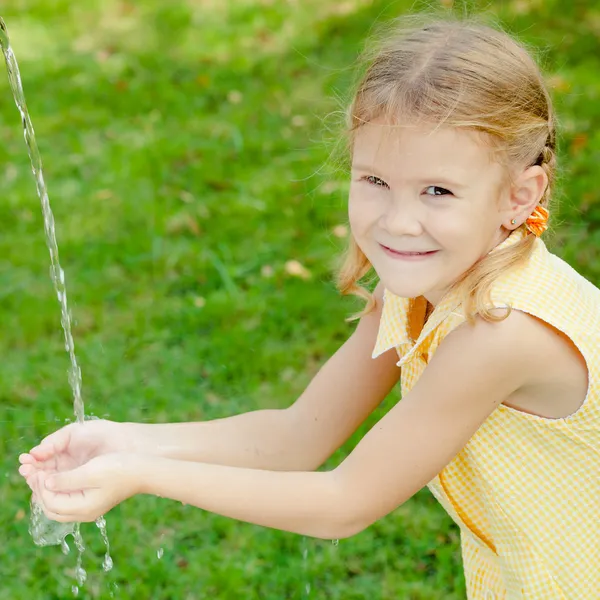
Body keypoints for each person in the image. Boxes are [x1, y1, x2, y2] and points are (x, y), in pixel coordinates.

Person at [18, 13, 599, 599]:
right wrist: (124, 441)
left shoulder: (505, 331)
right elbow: (296, 438)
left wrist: (141, 475)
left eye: (438, 191)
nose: (398, 221)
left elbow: (345, 503)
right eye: (374, 180)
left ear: (518, 197)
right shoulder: (421, 288)